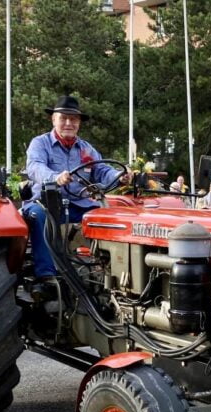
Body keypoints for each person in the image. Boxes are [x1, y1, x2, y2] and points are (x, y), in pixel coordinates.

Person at [24, 94, 127, 290]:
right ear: (53, 119)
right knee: (40, 216)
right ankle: (47, 276)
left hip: (79, 204)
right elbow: (35, 167)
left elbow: (102, 170)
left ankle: (108, 272)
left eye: (73, 119)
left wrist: (120, 176)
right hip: (46, 203)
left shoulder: (86, 149)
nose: (68, 123)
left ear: (79, 123)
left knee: (107, 218)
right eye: (63, 118)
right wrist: (55, 177)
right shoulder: (40, 143)